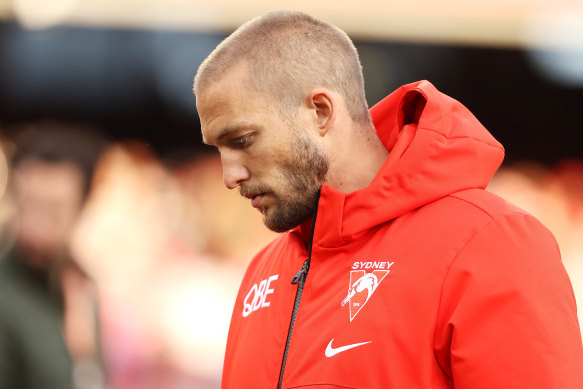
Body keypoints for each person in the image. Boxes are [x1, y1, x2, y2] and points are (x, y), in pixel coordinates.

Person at [193, 10, 583, 389]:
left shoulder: (491, 243)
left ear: (321, 112)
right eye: (219, 150)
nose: (230, 176)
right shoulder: (264, 270)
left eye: (242, 141)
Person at [0, 123, 106, 389]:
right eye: (28, 206)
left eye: (55, 212)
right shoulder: (6, 294)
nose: (36, 229)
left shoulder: (79, 284)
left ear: (83, 207)